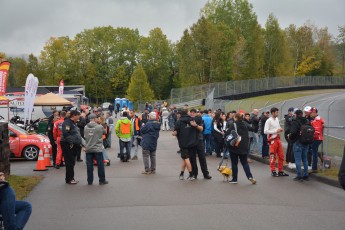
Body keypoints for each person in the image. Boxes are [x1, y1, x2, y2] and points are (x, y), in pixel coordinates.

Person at [224, 113, 256, 184]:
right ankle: (250, 176)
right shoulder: (245, 124)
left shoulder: (234, 124)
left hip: (235, 146)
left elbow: (227, 134)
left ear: (235, 118)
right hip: (244, 146)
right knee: (244, 163)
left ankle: (234, 179)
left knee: (234, 163)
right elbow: (252, 129)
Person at [172, 109, 199, 181]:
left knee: (186, 158)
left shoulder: (178, 121)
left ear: (180, 114)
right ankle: (181, 173)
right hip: (192, 142)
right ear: (187, 113)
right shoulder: (192, 120)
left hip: (183, 142)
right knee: (184, 158)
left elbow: (175, 131)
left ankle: (191, 174)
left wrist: (174, 133)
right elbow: (196, 127)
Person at [61, 110, 85, 184]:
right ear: (74, 115)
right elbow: (65, 133)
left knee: (72, 162)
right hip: (67, 145)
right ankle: (69, 179)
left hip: (73, 145)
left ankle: (70, 178)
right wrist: (71, 142)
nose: (79, 117)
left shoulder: (73, 123)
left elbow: (76, 134)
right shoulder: (67, 123)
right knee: (69, 162)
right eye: (78, 115)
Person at [264, 107, 289, 177]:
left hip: (278, 139)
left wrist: (279, 129)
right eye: (276, 112)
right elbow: (265, 131)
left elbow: (277, 127)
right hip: (272, 140)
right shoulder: (268, 120)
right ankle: (273, 171)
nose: (277, 113)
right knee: (273, 156)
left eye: (278, 112)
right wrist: (275, 131)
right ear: (272, 113)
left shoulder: (277, 119)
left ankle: (280, 171)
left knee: (281, 156)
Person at [84, 114, 109, 185]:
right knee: (100, 165)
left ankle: (90, 181)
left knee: (89, 166)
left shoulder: (86, 127)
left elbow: (85, 136)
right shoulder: (99, 127)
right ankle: (102, 180)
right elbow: (105, 132)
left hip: (88, 148)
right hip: (97, 148)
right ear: (94, 119)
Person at [189, 108, 212, 179]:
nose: (192, 113)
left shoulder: (199, 118)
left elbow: (201, 128)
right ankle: (194, 174)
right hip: (191, 141)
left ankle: (205, 174)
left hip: (199, 139)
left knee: (202, 157)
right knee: (192, 158)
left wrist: (196, 125)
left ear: (196, 113)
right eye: (191, 112)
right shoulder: (187, 119)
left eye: (194, 112)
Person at [289, 109, 310, 181]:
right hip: (306, 142)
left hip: (298, 142)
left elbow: (293, 132)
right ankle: (306, 175)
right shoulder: (306, 121)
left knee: (298, 160)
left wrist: (290, 137)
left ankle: (299, 175)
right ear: (301, 114)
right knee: (305, 159)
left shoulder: (295, 122)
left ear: (296, 115)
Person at [310, 107, 324, 172]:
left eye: (311, 112)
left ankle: (314, 168)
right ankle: (319, 154)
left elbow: (316, 130)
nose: (310, 114)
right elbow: (323, 122)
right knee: (312, 151)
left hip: (316, 138)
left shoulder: (317, 120)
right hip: (318, 138)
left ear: (315, 112)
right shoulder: (318, 119)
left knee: (314, 152)